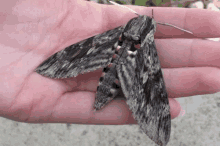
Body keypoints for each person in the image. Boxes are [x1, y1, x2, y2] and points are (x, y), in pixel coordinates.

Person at [0, 0, 219, 124]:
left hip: (109, 56)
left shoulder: (114, 34)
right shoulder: (149, 49)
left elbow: (68, 58)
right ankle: (150, 118)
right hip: (123, 70)